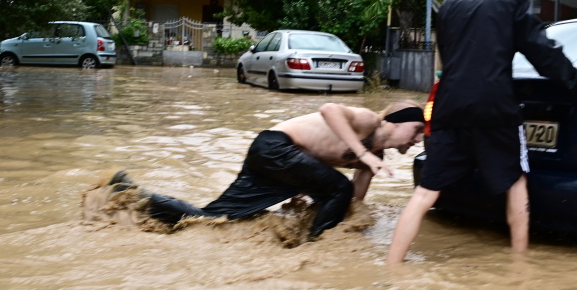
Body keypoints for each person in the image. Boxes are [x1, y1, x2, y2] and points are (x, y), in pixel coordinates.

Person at [386, 0, 577, 264]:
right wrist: (575, 79)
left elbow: (453, 60)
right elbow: (541, 51)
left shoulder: (449, 6)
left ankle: (392, 265)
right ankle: (518, 268)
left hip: (448, 107)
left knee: (426, 191)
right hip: (494, 107)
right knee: (515, 182)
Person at [113, 101, 425, 239]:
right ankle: (317, 247)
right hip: (275, 147)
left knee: (214, 219)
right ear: (394, 120)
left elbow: (352, 201)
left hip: (280, 165)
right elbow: (329, 110)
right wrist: (361, 153)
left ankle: (132, 195)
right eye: (414, 130)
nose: (416, 139)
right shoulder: (368, 120)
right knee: (337, 187)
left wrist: (352, 223)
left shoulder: (376, 155)